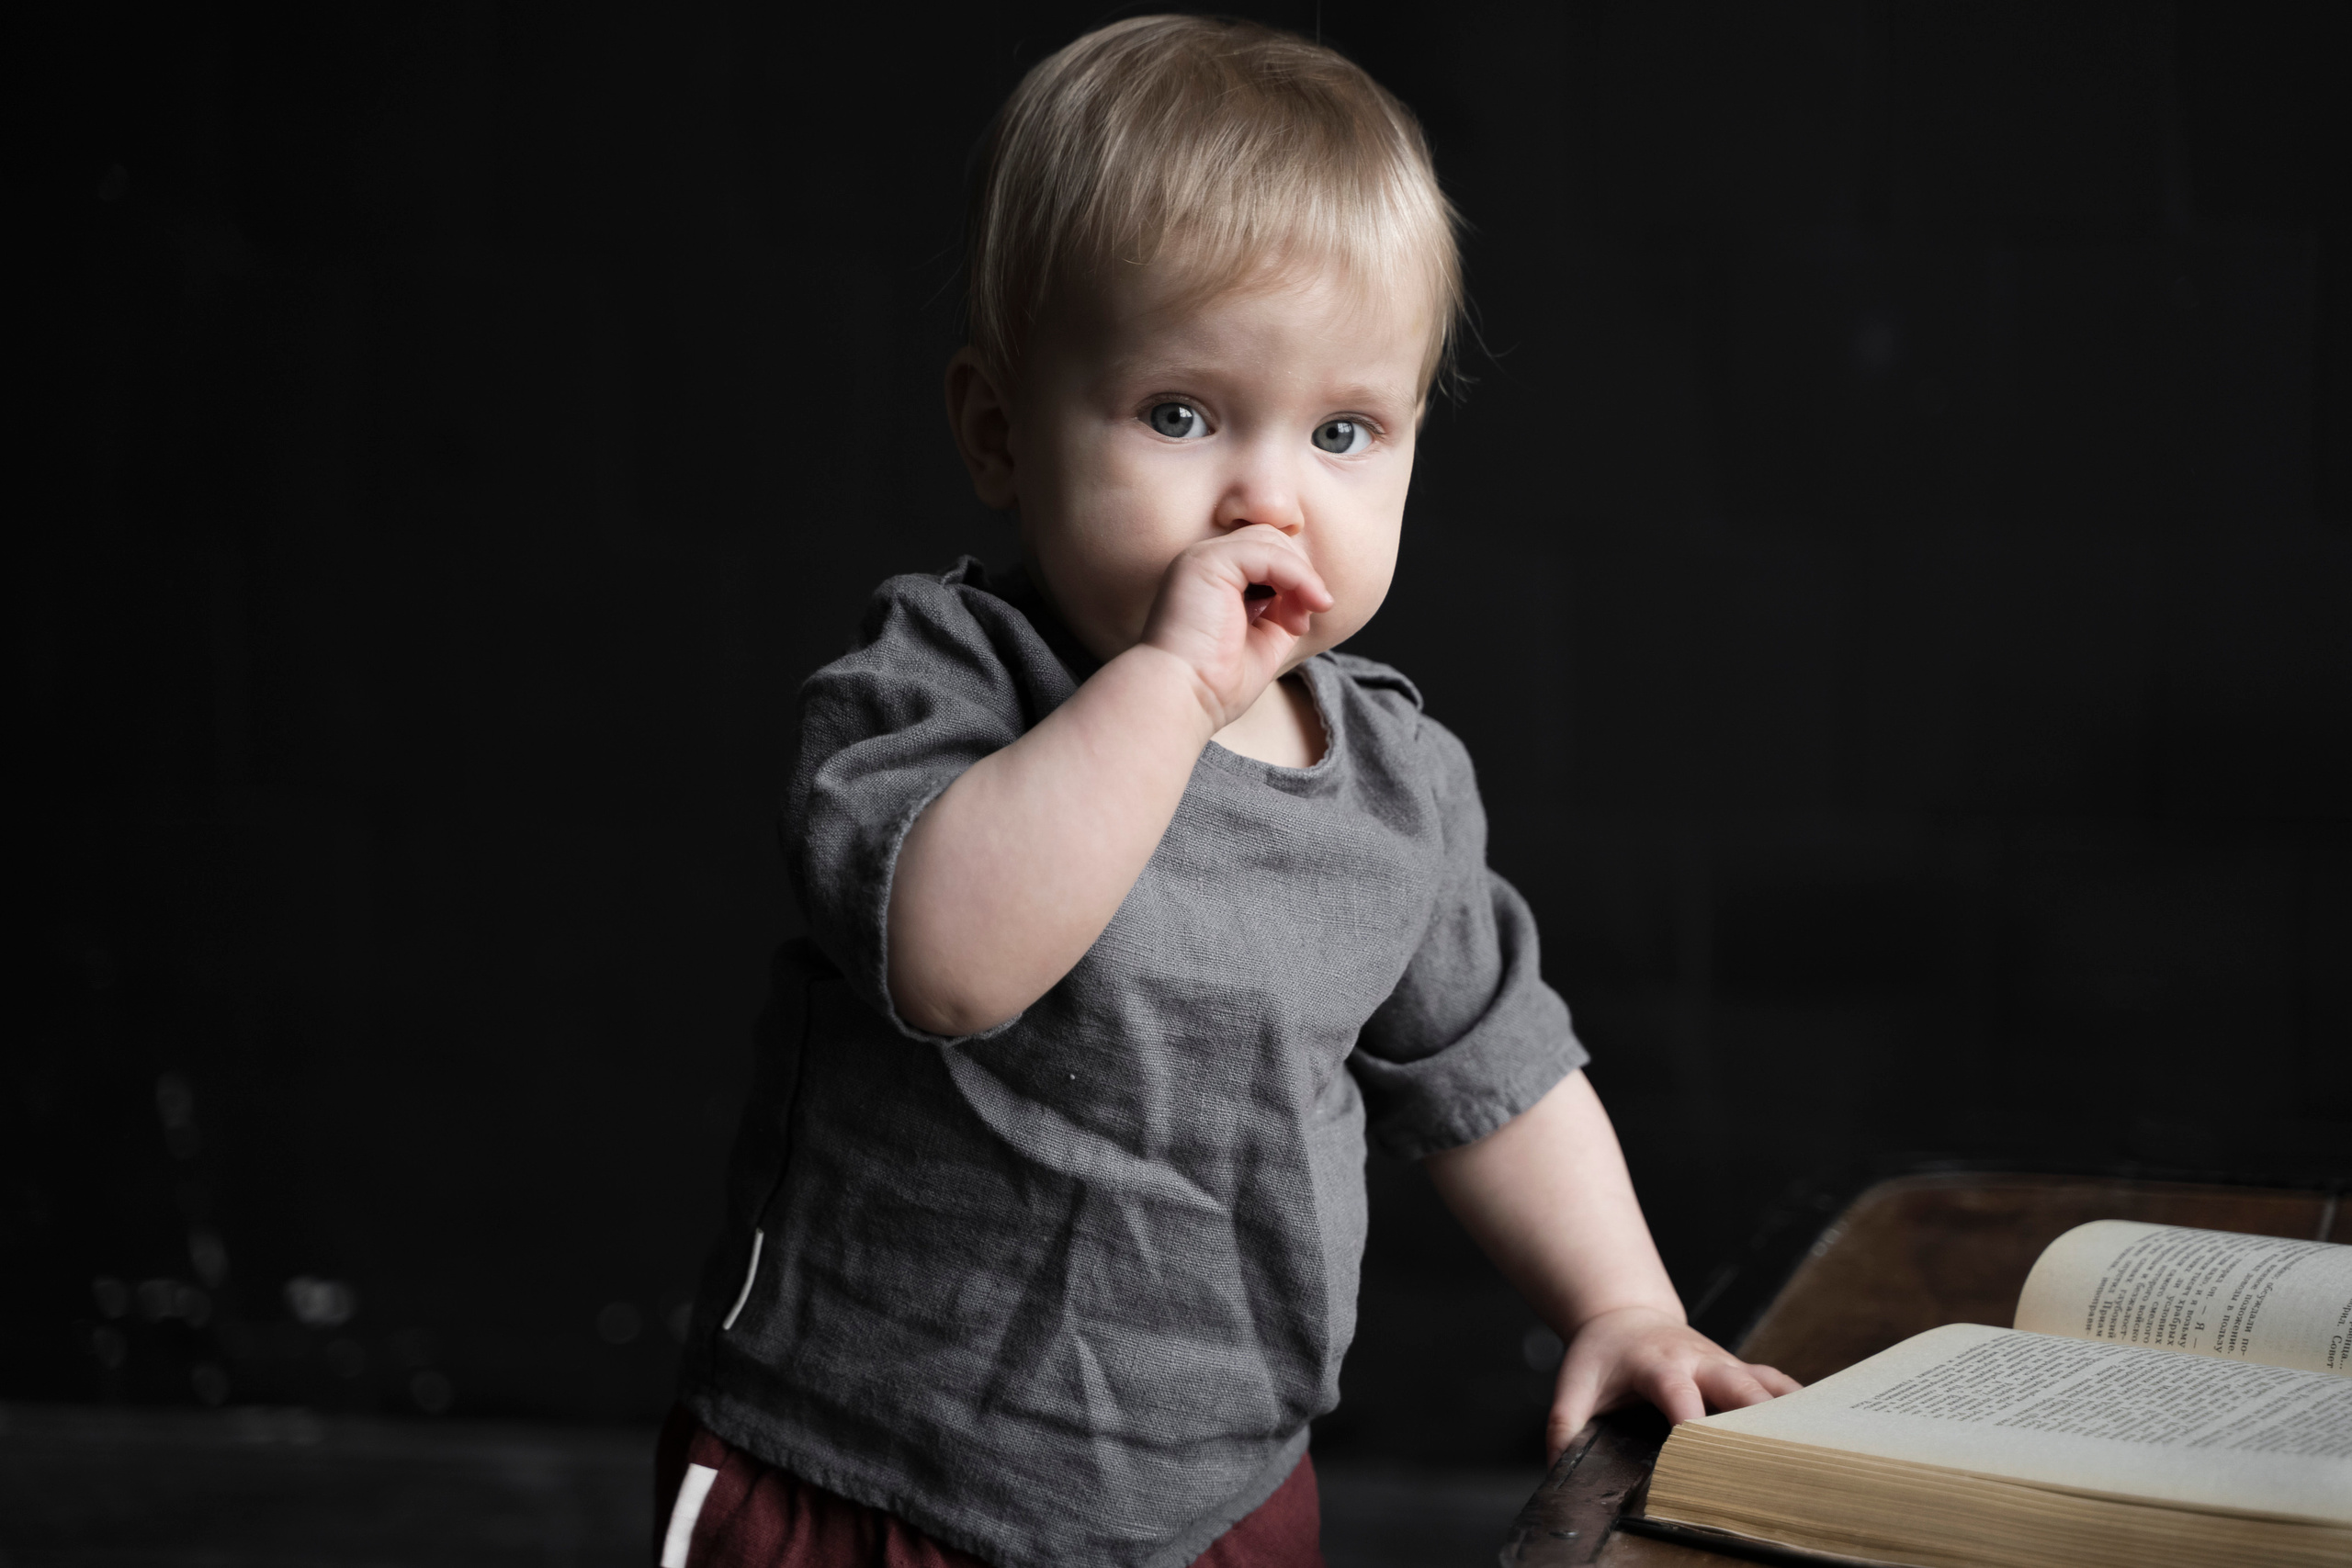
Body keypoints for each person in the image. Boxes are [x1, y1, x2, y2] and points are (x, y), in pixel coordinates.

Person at [657, 17, 1796, 1568]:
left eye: (1344, 431)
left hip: (1217, 1492)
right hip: (878, 1480)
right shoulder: (941, 678)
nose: (1271, 496)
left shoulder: (1393, 783)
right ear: (1000, 430)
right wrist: (1176, 689)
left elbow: (1498, 1071)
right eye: (1181, 414)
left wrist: (1624, 1304)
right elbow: (948, 961)